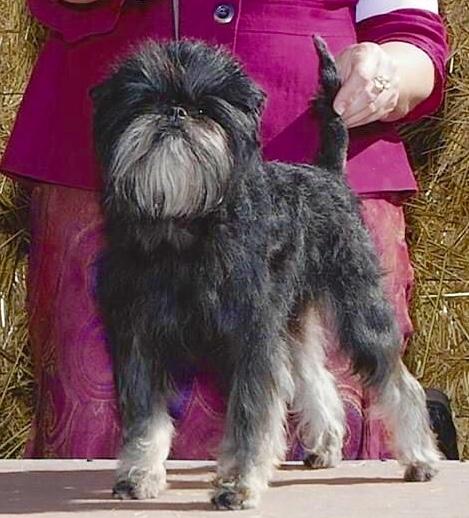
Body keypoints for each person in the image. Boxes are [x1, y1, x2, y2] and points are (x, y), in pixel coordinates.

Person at [1, 0, 448, 460]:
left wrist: (387, 72)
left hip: (300, 150)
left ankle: (321, 437)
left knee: (352, 350)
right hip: (123, 181)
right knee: (108, 422)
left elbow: (411, 32)